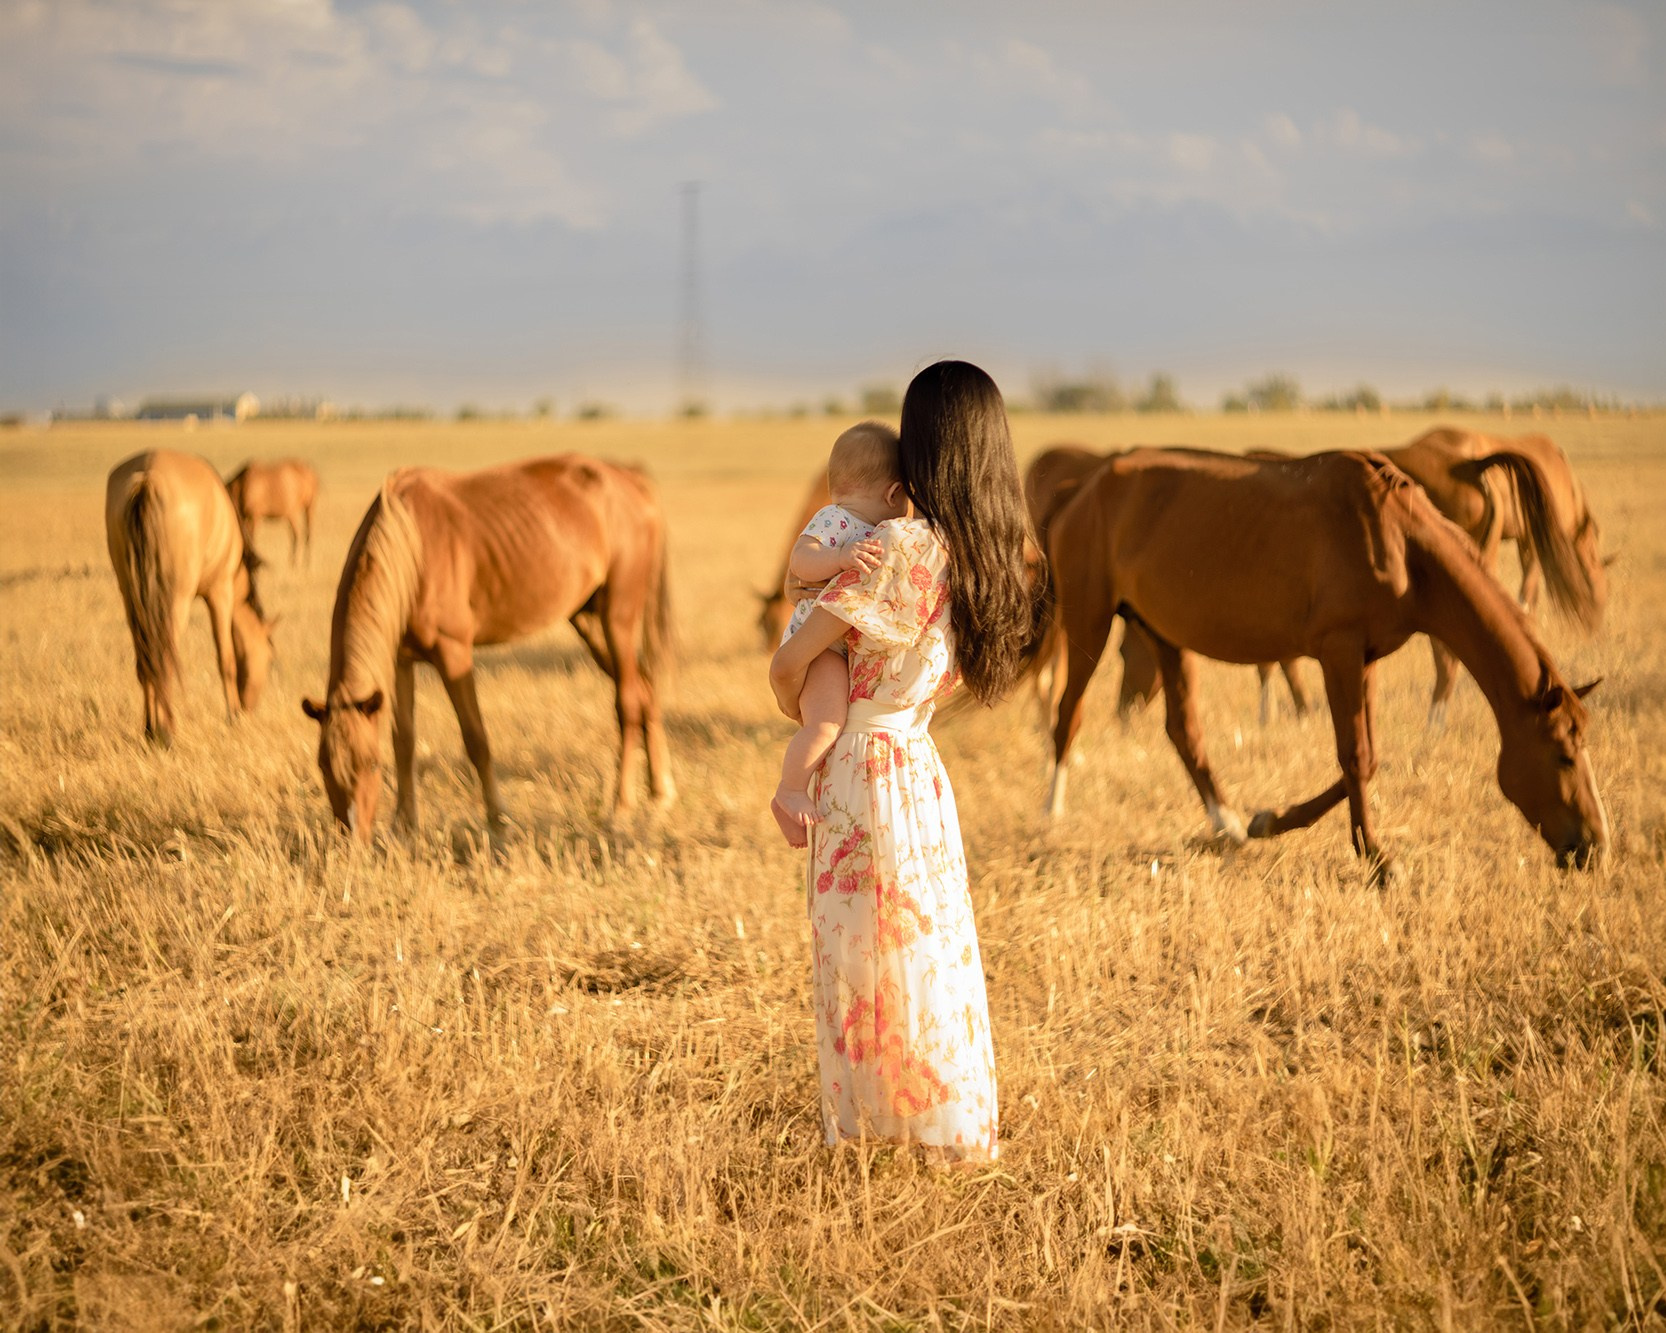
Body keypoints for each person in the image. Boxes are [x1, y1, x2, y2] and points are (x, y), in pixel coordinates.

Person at [768, 360, 1037, 1164]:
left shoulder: (901, 544)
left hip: (862, 767)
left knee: (860, 953)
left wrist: (798, 694)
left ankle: (874, 1132)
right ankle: (944, 1127)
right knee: (928, 949)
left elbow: (795, 663)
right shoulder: (989, 550)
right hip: (917, 762)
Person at [770, 422, 909, 847]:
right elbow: (801, 561)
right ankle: (790, 789)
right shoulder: (837, 519)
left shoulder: (877, 532)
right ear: (892, 494)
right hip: (821, 649)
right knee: (826, 724)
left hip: (837, 645)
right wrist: (840, 556)